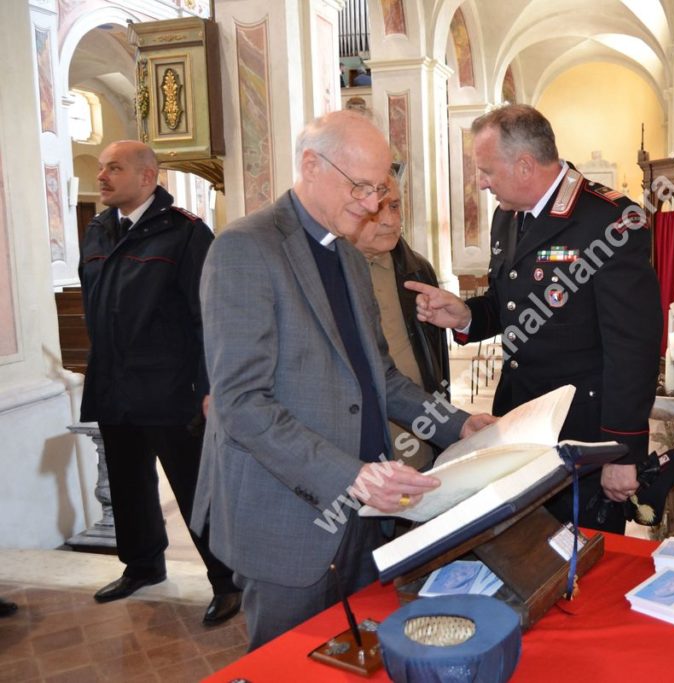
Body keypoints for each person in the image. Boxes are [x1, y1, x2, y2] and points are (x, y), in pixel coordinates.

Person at [192, 110, 494, 650]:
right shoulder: (246, 248)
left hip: (362, 515)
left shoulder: (350, 258)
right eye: (361, 186)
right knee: (290, 662)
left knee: (354, 654)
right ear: (311, 165)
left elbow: (379, 377)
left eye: (381, 188)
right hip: (288, 514)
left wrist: (461, 424)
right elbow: (241, 403)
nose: (373, 203)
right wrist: (350, 475)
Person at [406, 104, 662, 534]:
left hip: (580, 433)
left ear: (524, 165)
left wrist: (622, 452)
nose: (482, 184)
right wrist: (467, 314)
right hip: (517, 424)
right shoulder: (507, 216)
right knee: (522, 549)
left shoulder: (610, 220)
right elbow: (509, 305)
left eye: (487, 171)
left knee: (581, 564)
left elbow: (633, 347)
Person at [78, 140, 241, 626]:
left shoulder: (185, 234)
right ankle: (143, 565)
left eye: (114, 168)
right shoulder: (98, 230)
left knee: (194, 490)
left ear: (147, 177)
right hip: (113, 384)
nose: (102, 176)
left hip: (170, 389)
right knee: (128, 485)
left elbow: (208, 318)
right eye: (102, 168)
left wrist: (209, 385)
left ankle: (226, 579)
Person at [353, 173, 450, 471]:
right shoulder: (327, 274)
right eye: (377, 211)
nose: (390, 221)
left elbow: (436, 361)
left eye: (394, 207)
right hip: (357, 448)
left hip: (417, 437)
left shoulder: (416, 270)